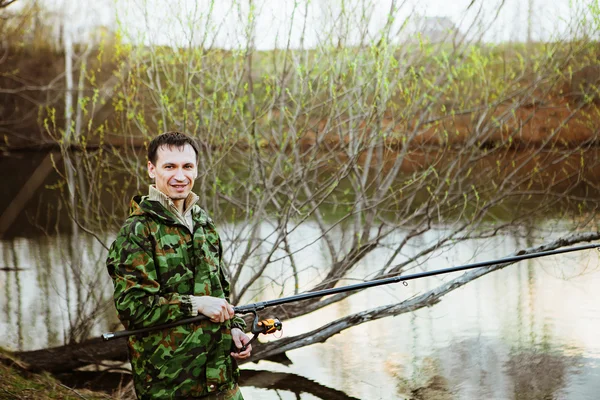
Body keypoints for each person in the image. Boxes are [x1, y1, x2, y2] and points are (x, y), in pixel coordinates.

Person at [106, 131, 251, 400]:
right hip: (170, 385)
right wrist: (195, 304)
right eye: (169, 167)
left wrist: (235, 327)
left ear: (197, 168)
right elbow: (133, 308)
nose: (180, 176)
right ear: (152, 169)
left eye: (187, 166)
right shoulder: (138, 230)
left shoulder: (204, 223)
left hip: (222, 379)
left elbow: (220, 294)